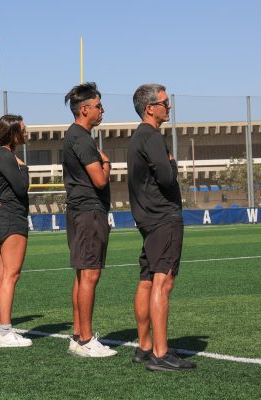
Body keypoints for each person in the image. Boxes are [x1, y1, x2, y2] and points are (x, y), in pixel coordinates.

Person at [128, 84, 196, 371]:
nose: (169, 107)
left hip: (147, 219)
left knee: (147, 280)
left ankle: (145, 347)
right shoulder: (152, 137)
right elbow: (168, 178)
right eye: (165, 103)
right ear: (150, 108)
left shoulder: (137, 138)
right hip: (163, 217)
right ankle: (160, 353)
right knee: (163, 281)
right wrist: (172, 164)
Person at [62, 82, 117, 358]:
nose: (102, 110)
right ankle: (85, 339)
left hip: (80, 211)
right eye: (97, 106)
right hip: (88, 212)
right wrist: (106, 164)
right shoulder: (81, 138)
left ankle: (78, 335)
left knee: (83, 273)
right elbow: (99, 178)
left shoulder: (74, 136)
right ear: (84, 109)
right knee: (90, 273)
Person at [0, 114, 32, 348]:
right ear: (12, 132)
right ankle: (5, 331)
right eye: (23, 129)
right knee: (10, 277)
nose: (26, 132)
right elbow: (22, 187)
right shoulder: (5, 155)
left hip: (5, 218)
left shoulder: (0, 154)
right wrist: (23, 168)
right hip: (12, 218)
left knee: (3, 275)